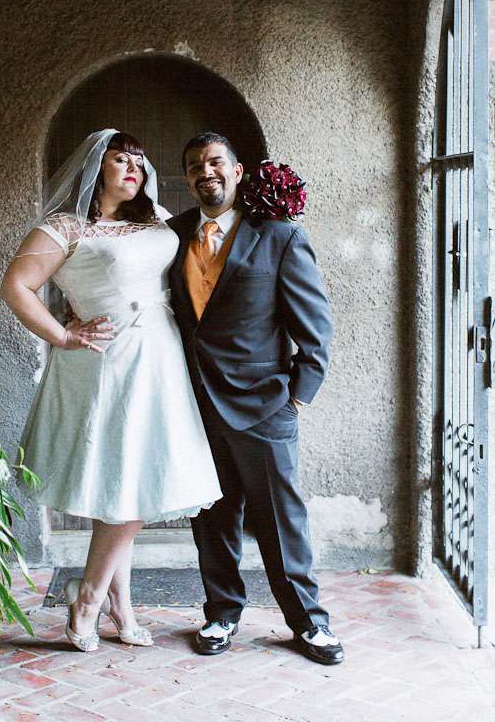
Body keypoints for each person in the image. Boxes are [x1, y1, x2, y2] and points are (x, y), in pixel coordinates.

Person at [0, 128, 222, 653]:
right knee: (127, 478)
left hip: (161, 356)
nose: (134, 169)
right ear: (96, 168)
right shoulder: (66, 226)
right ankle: (88, 598)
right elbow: (16, 286)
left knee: (131, 479)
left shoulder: (156, 219)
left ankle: (119, 603)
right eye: (122, 160)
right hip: (108, 361)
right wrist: (62, 335)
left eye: (139, 162)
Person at [166, 132, 344, 666]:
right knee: (212, 516)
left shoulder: (279, 234)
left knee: (279, 519)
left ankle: (309, 622)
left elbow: (314, 325)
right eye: (194, 165)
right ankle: (222, 613)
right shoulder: (174, 235)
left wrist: (298, 398)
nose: (205, 172)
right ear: (187, 178)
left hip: (265, 405)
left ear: (238, 171)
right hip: (196, 403)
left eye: (215, 162)